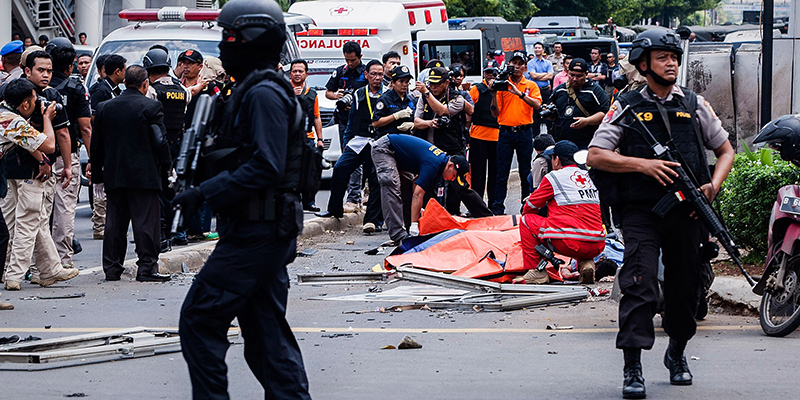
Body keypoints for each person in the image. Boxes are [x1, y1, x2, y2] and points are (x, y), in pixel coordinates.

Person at [173, 0, 313, 398]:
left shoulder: (264, 94)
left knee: (199, 319)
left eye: (228, 37)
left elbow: (266, 166)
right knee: (267, 337)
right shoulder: (255, 88)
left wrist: (205, 192)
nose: (223, 46)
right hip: (260, 227)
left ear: (250, 40)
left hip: (258, 230)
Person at [586, 27, 736, 399]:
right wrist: (643, 166)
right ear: (643, 63)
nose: (671, 63)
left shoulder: (694, 104)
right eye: (663, 57)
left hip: (686, 212)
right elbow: (596, 155)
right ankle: (632, 366)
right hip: (641, 211)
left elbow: (726, 151)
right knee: (639, 281)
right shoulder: (626, 105)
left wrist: (713, 186)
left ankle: (677, 354)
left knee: (687, 285)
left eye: (674, 57)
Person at [90, 65, 171, 283]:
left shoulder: (105, 107)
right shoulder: (152, 107)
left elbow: (96, 146)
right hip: (145, 175)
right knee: (146, 223)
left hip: (115, 173)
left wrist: (96, 176)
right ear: (145, 84)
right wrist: (167, 168)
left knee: (114, 223)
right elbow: (160, 142)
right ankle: (146, 268)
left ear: (124, 82)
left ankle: (112, 268)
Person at [1, 78, 80, 291]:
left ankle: (49, 269)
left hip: (10, 173)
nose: (39, 103)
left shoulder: (5, 112)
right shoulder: (12, 121)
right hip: (24, 175)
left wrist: (41, 160)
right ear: (25, 104)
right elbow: (49, 144)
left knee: (34, 222)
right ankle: (13, 275)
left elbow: (27, 142)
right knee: (26, 223)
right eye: (35, 101)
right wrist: (46, 118)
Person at [518, 140, 604, 284]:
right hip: (597, 243)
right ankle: (586, 263)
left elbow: (530, 206)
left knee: (526, 220)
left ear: (556, 160)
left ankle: (536, 271)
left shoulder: (554, 177)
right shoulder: (588, 176)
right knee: (580, 226)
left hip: (569, 243)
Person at [317, 60, 385, 233]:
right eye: (374, 74)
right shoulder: (359, 94)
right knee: (340, 169)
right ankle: (334, 209)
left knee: (375, 179)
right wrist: (346, 143)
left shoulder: (388, 95)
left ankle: (372, 220)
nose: (377, 78)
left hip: (378, 143)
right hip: (358, 141)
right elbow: (350, 121)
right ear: (367, 75)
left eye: (380, 74)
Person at [413, 66, 490, 217]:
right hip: (430, 148)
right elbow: (416, 121)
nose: (433, 87)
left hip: (452, 148)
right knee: (428, 184)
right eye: (431, 84)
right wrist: (429, 123)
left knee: (459, 186)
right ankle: (433, 216)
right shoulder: (423, 97)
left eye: (437, 83)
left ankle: (483, 216)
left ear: (446, 83)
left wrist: (427, 93)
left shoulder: (458, 98)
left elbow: (443, 111)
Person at [371, 134, 470, 244]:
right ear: (450, 166)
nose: (452, 179)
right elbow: (417, 195)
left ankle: (409, 230)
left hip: (399, 156)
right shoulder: (433, 163)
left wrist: (419, 214)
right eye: (454, 175)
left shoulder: (440, 163)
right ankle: (397, 234)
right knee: (391, 185)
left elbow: (415, 183)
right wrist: (415, 223)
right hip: (385, 148)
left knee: (407, 188)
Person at [46, 37, 91, 269]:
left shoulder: (35, 87)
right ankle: (62, 261)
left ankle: (37, 264)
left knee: (38, 211)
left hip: (38, 155)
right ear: (71, 63)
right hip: (66, 155)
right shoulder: (75, 88)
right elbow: (85, 127)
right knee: (64, 208)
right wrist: (92, 159)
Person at [143, 48, 192, 251]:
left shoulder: (152, 91)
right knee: (175, 189)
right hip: (178, 145)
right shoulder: (181, 89)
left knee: (159, 190)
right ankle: (179, 232)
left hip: (158, 145)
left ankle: (162, 234)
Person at [490, 51, 541, 215]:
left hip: (524, 132)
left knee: (526, 171)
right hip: (505, 132)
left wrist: (518, 93)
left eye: (520, 63)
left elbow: (537, 105)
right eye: (514, 63)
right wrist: (494, 91)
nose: (517, 66)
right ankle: (497, 207)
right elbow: (494, 113)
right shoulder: (503, 84)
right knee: (501, 172)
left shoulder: (530, 85)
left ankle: (526, 206)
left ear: (525, 67)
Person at [547, 58, 609, 149]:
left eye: (579, 76)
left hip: (586, 142)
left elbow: (605, 113)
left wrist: (587, 121)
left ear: (586, 74)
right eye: (572, 75)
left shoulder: (595, 91)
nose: (575, 79)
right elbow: (550, 109)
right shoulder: (560, 90)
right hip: (561, 141)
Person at [289, 59, 324, 212]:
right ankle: (293, 201)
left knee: (310, 170)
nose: (297, 74)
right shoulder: (284, 91)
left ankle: (309, 202)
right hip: (290, 138)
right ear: (290, 74)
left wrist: (320, 139)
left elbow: (316, 117)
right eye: (295, 71)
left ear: (306, 74)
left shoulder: (312, 94)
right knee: (292, 170)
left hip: (307, 137)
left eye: (300, 71)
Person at [468, 65, 499, 207]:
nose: (491, 75)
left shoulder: (503, 89)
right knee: (477, 174)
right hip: (478, 136)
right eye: (488, 72)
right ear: (484, 73)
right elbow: (469, 110)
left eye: (493, 72)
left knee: (495, 174)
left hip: (498, 137)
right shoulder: (477, 89)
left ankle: (494, 204)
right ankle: (477, 205)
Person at [372, 65, 416, 136]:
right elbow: (375, 123)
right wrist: (395, 116)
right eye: (401, 81)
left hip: (406, 139)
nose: (405, 84)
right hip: (387, 139)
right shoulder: (385, 99)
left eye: (407, 81)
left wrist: (414, 125)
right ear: (393, 83)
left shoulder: (411, 100)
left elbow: (418, 118)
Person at [89, 54, 125, 119]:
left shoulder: (115, 89)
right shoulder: (100, 91)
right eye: (125, 71)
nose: (126, 74)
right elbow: (92, 115)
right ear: (118, 71)